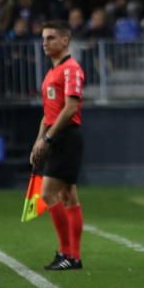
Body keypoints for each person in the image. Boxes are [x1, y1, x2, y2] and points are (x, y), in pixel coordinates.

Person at [30, 20, 87, 271]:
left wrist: (49, 138)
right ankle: (73, 256)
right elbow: (48, 112)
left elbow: (71, 107)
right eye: (44, 38)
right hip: (56, 135)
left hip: (66, 136)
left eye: (51, 37)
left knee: (48, 194)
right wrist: (38, 140)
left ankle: (67, 254)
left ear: (65, 40)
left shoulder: (71, 69)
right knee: (68, 196)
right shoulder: (52, 72)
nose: (45, 42)